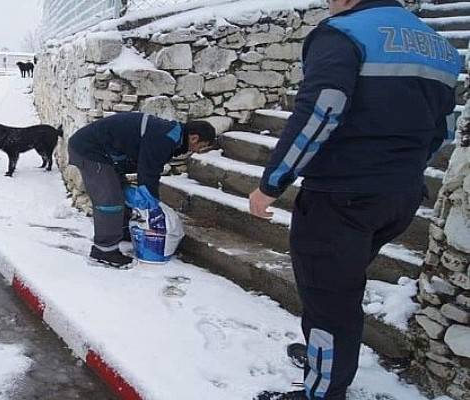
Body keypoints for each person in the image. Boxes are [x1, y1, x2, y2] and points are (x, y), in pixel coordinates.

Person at [248, 0, 461, 399]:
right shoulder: (439, 47)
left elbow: (320, 113)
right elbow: (443, 130)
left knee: (329, 301)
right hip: (400, 195)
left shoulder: (344, 33)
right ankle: (325, 358)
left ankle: (324, 390)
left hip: (341, 199)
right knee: (338, 289)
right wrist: (398, 171)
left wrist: (272, 183)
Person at [68, 112, 216, 268]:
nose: (199, 151)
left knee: (119, 191)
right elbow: (148, 172)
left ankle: (122, 230)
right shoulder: (166, 137)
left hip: (104, 152)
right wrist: (152, 204)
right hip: (89, 149)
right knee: (110, 199)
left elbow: (148, 166)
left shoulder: (171, 135)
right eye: (202, 146)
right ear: (194, 138)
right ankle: (104, 251)